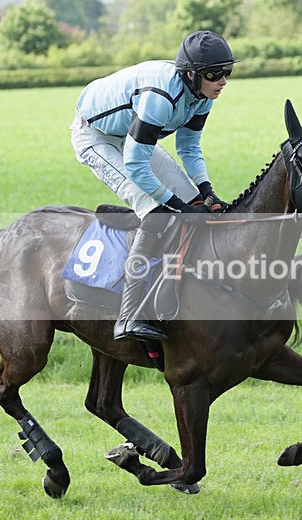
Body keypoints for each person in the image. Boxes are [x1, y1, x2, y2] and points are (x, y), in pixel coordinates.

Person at [71, 30, 238, 342]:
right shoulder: (160, 99)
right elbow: (135, 164)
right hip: (95, 138)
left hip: (131, 136)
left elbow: (189, 147)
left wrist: (205, 190)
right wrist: (171, 203)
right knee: (157, 212)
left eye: (227, 73)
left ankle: (179, 291)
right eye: (215, 74)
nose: (223, 81)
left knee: (196, 205)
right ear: (191, 74)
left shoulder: (202, 97)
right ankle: (129, 316)